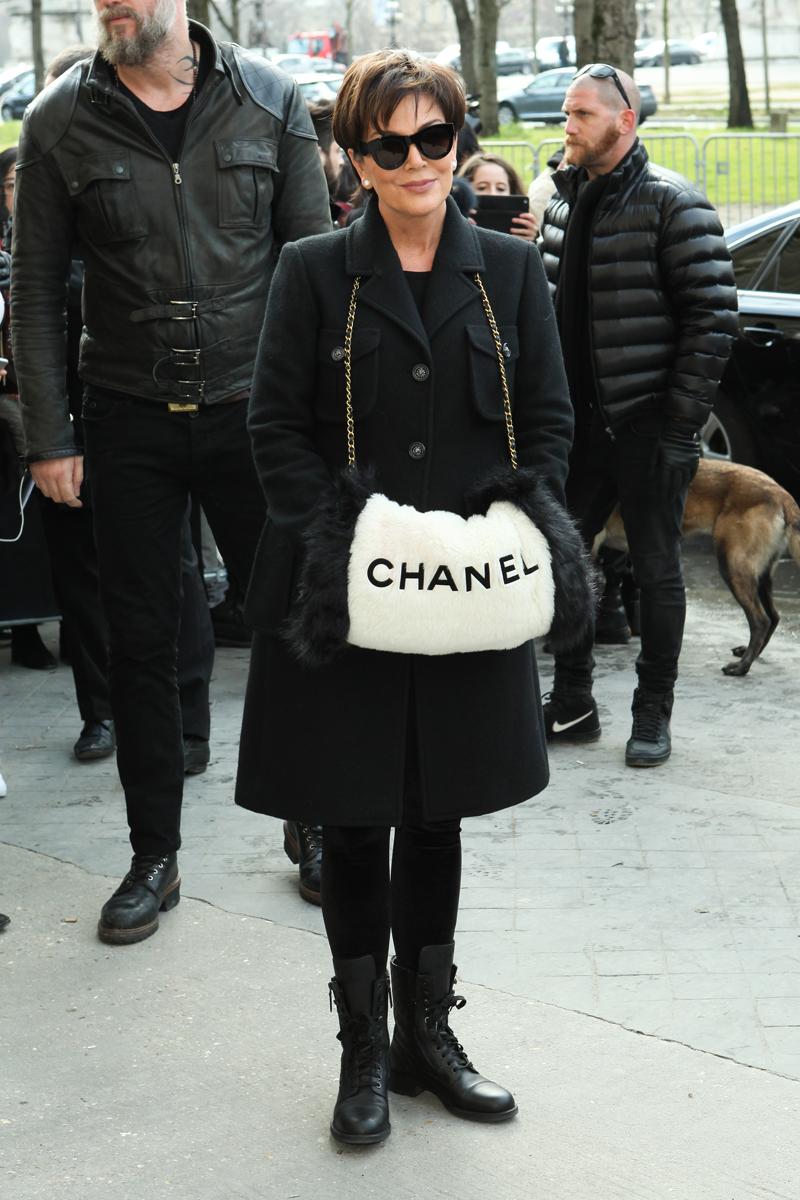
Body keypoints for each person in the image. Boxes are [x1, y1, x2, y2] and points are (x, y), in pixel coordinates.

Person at [236, 49, 575, 1145]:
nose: (419, 160)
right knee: (351, 820)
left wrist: (509, 531)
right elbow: (274, 428)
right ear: (357, 157)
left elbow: (553, 423)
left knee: (437, 816)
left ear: (459, 141)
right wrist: (347, 537)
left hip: (466, 600)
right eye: (392, 143)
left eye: (436, 138)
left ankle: (428, 1037)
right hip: (347, 602)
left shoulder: (512, 276)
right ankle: (361, 1051)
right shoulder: (310, 272)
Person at [11, 0, 331, 945]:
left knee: (291, 626)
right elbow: (34, 291)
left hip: (255, 416)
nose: (111, 2)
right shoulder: (59, 119)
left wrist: (317, 423)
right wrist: (49, 434)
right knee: (139, 643)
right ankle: (155, 854)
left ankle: (309, 822)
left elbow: (312, 267)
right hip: (125, 418)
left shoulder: (269, 101)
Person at [539, 63, 738, 765]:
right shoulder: (564, 201)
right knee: (564, 561)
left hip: (651, 423)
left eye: (583, 114)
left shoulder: (673, 203)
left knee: (657, 573)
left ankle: (652, 712)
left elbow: (712, 320)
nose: (568, 125)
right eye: (566, 112)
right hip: (576, 428)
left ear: (625, 122)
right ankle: (571, 705)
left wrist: (679, 425)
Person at [458, 151, 539, 240]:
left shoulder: (523, 231)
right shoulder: (453, 222)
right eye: (482, 188)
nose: (493, 193)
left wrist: (532, 241)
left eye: (501, 189)